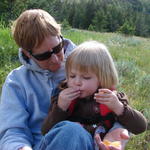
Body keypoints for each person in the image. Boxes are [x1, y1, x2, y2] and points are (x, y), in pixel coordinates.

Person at [0, 8, 146, 150]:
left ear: (60, 35)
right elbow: (13, 133)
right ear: (27, 54)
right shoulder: (16, 82)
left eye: (58, 48)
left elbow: (126, 118)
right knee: (71, 131)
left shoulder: (87, 63)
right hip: (43, 144)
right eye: (44, 56)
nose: (56, 60)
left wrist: (117, 134)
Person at [41, 41, 147, 150]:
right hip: (64, 143)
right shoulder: (62, 96)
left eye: (86, 77)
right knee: (71, 130)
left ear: (102, 78)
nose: (77, 82)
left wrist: (118, 107)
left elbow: (140, 127)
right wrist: (60, 108)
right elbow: (45, 132)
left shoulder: (111, 98)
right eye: (72, 76)